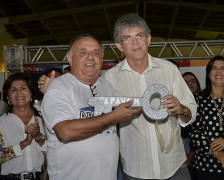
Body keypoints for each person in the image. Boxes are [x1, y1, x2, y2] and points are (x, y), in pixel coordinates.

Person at [103, 13, 197, 180]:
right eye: (127, 38)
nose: (135, 42)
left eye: (139, 35)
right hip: (136, 169)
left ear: (148, 39)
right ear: (119, 45)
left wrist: (181, 108)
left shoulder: (169, 69)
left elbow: (191, 110)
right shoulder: (110, 78)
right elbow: (98, 114)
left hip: (175, 166)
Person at [41, 34, 141, 180]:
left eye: (96, 53)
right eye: (83, 52)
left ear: (101, 58)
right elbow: (65, 131)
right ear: (70, 58)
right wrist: (112, 117)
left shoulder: (106, 86)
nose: (90, 57)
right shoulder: (58, 88)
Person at [0, 72, 47, 180]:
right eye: (13, 90)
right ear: (7, 97)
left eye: (23, 88)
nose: (19, 93)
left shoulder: (44, 120)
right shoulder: (2, 122)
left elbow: (54, 152)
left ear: (31, 92)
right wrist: (24, 143)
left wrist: (39, 137)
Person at [182, 72, 201, 180]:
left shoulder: (205, 102)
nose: (189, 84)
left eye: (192, 81)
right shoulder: (177, 104)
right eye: (186, 82)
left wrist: (194, 152)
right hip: (183, 151)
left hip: (203, 152)